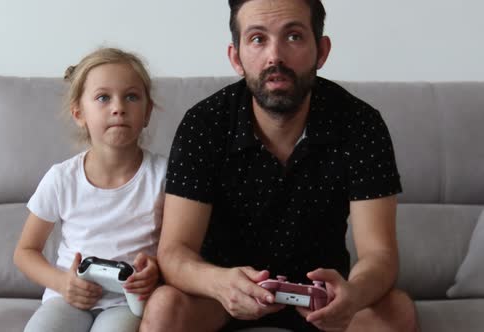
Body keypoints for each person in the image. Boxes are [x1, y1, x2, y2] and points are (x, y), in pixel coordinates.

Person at [140, 0, 419, 331]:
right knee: (164, 307)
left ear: (322, 51)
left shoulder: (361, 124)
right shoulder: (204, 124)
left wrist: (354, 294)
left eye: (294, 37)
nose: (275, 56)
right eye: (258, 39)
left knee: (398, 311)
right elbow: (174, 252)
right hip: (224, 298)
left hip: (321, 302)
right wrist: (218, 283)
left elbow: (380, 255)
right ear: (236, 57)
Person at [13, 47, 166, 332]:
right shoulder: (61, 178)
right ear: (79, 113)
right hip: (67, 298)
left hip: (127, 302)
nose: (118, 107)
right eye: (103, 98)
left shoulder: (163, 177)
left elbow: (179, 248)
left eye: (131, 96)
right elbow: (25, 252)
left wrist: (155, 269)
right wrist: (62, 283)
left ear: (147, 112)